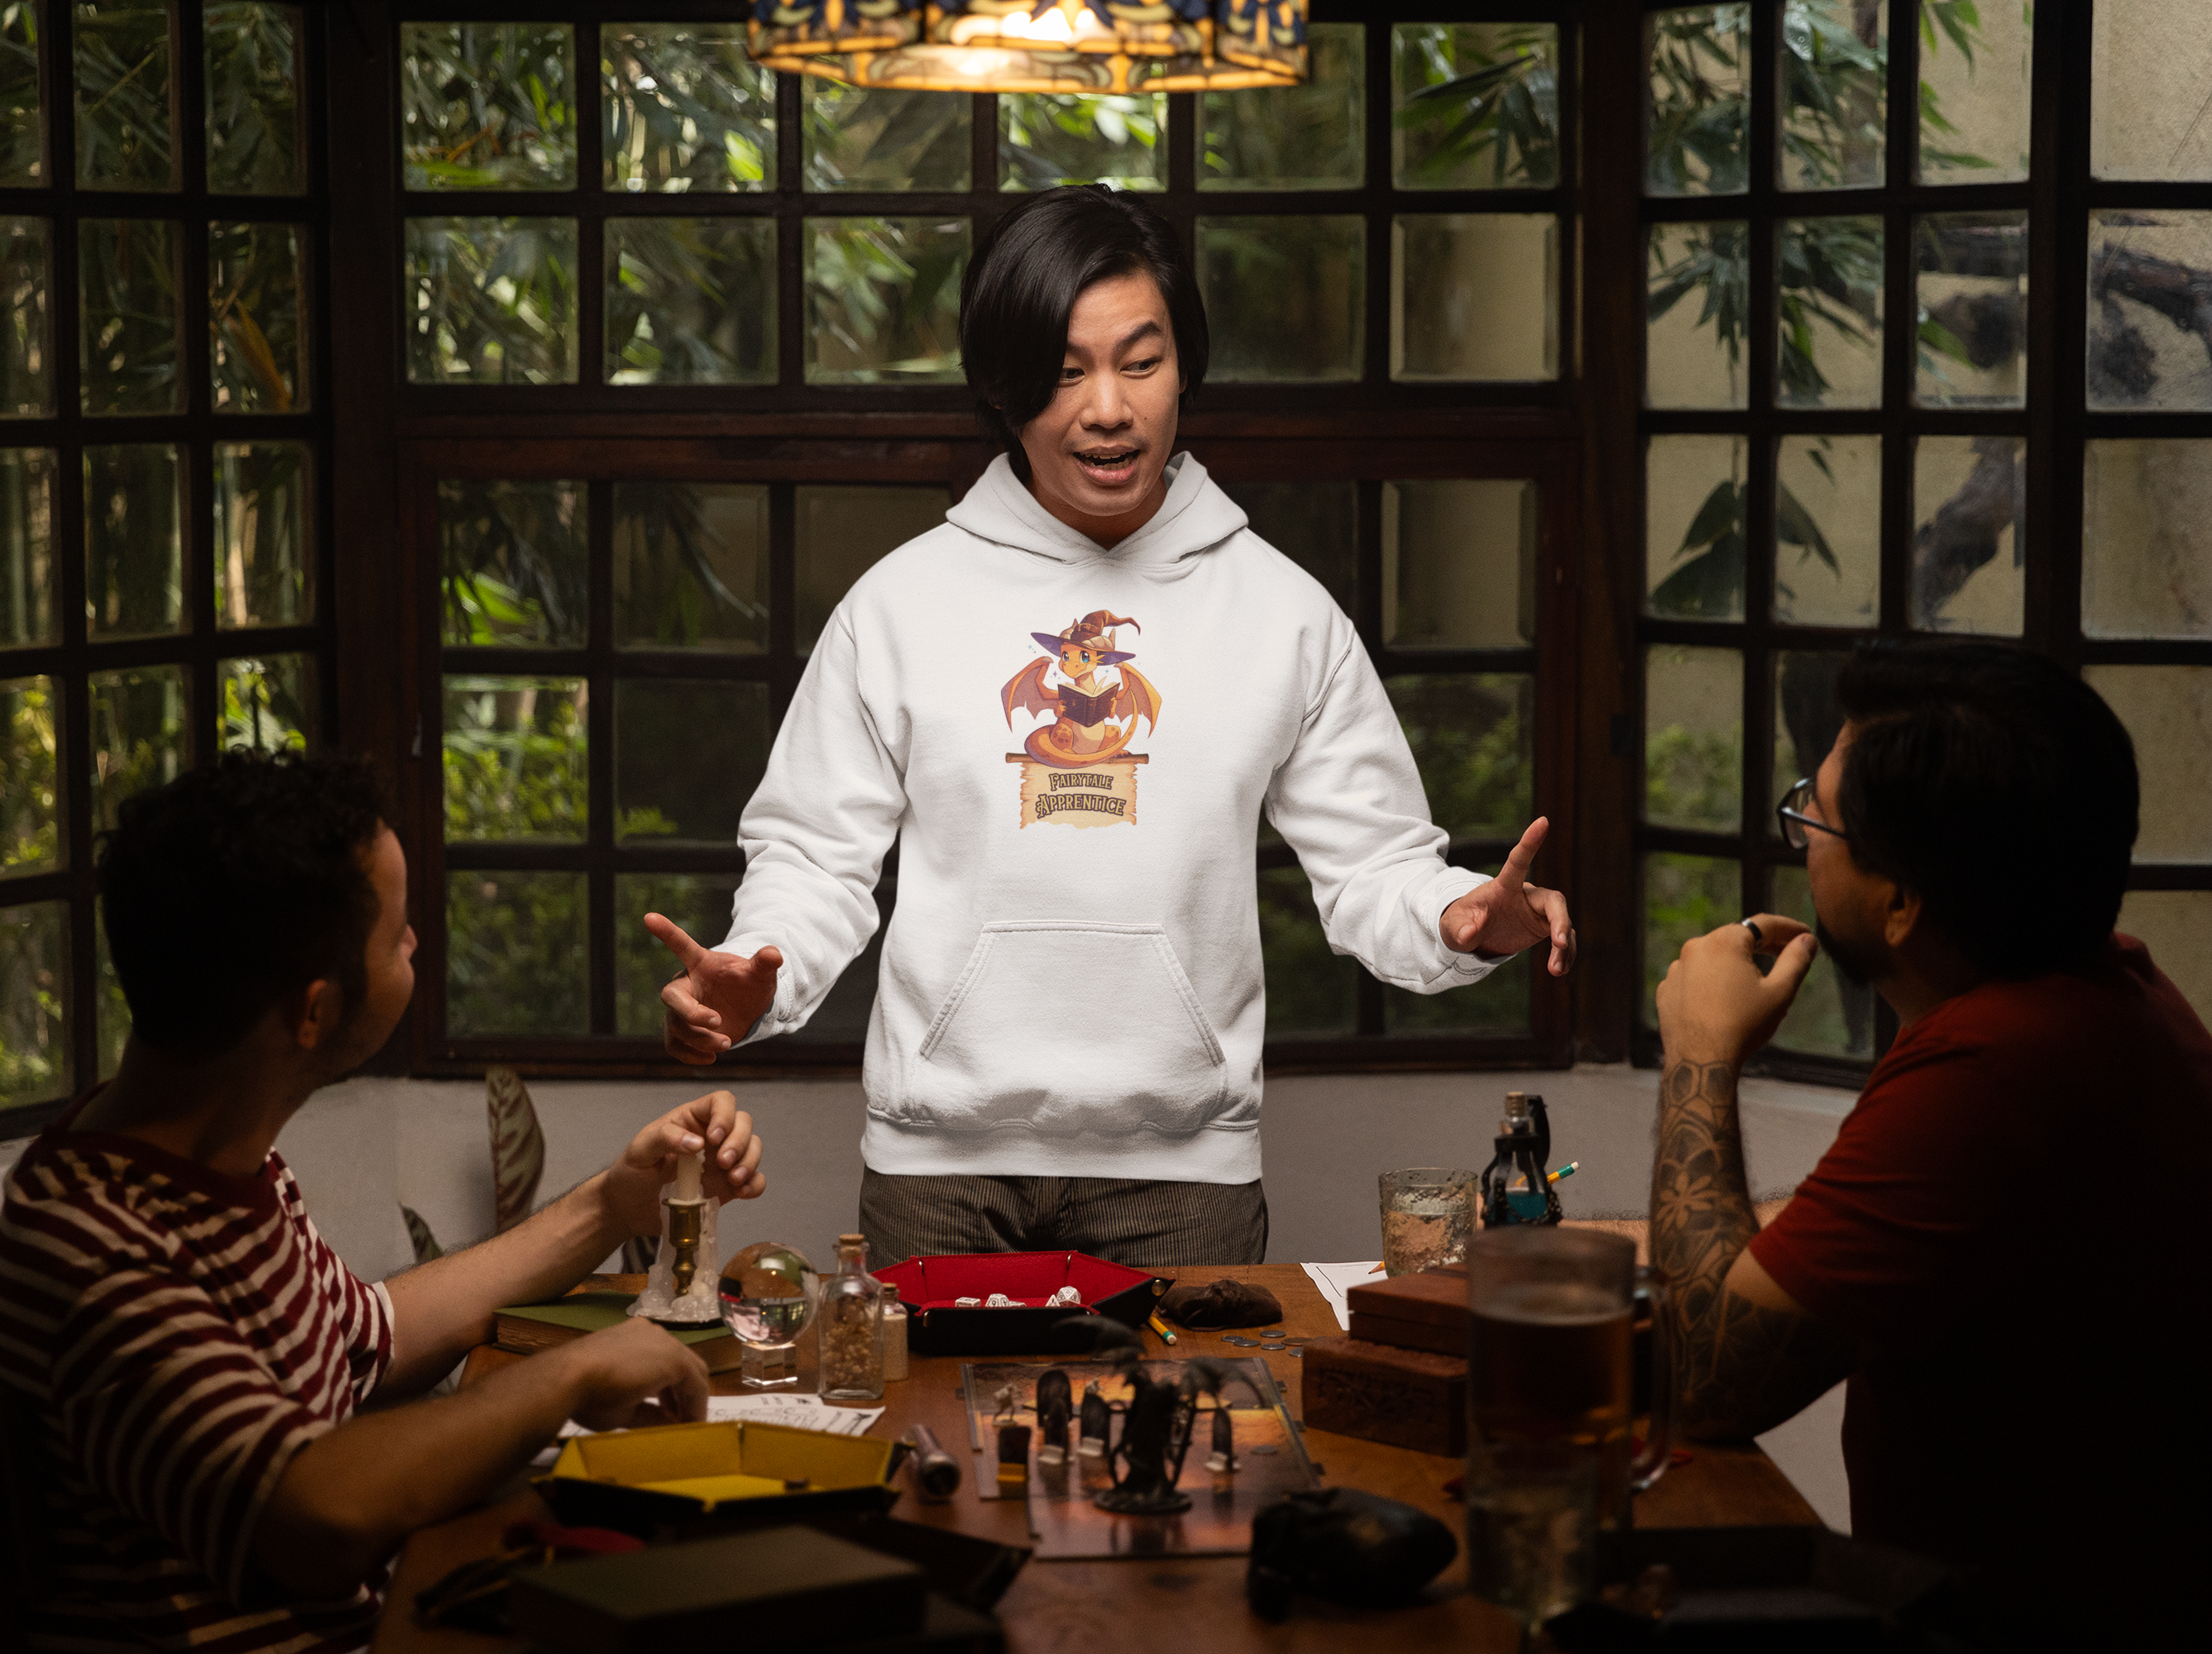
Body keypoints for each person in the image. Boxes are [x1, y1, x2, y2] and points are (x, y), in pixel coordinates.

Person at [646, 184, 1576, 1269]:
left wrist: (1458, 918)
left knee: (1202, 1440)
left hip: (1184, 1179)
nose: (1106, 408)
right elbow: (812, 856)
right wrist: (761, 968)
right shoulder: (899, 605)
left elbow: (1374, 866)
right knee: (935, 1441)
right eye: (1062, 370)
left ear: (1186, 368)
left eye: (1140, 364)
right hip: (938, 1170)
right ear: (1004, 388)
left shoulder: (1279, 613)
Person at [0, 753, 768, 1652]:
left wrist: (612, 1200)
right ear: (314, 1012)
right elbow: (312, 1514)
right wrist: (573, 1369)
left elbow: (367, 1334)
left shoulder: (201, 1161)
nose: (417, 944)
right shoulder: (96, 1244)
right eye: (399, 932)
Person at [1647, 638, 2210, 1643]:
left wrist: (1698, 1051)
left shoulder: (1997, 1068)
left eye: (1814, 817)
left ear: (1902, 900)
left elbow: (1705, 1383)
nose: (1798, 842)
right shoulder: (2107, 992)